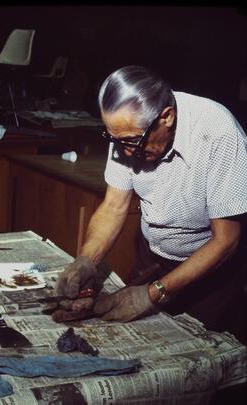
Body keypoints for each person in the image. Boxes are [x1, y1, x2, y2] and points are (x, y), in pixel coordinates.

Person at [56, 65, 247, 341]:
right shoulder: (128, 131)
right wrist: (88, 258)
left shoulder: (219, 133)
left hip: (211, 271)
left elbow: (226, 240)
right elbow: (113, 206)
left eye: (132, 142)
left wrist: (153, 293)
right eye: (115, 140)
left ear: (166, 117)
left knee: (196, 360)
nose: (124, 151)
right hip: (154, 257)